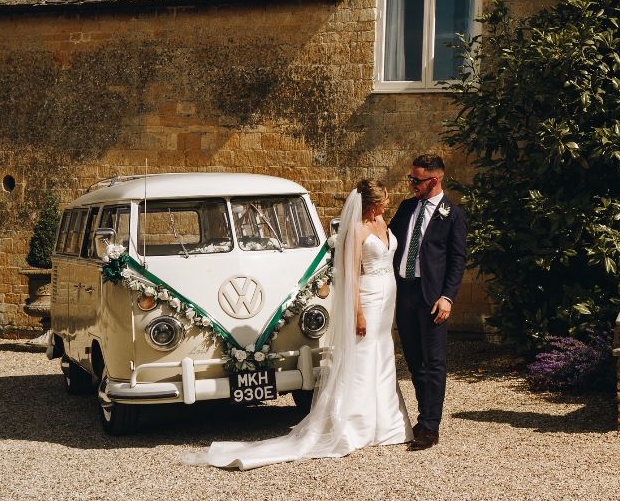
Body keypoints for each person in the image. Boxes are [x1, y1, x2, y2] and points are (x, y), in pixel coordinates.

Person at [182, 179, 412, 470]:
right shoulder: (356, 230)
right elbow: (352, 275)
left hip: (388, 297)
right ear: (372, 203)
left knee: (383, 353)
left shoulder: (381, 222)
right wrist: (358, 313)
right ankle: (357, 423)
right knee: (363, 355)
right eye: (384, 199)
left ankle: (387, 423)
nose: (389, 203)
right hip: (367, 297)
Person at [390, 153, 467, 451]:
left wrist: (447, 297)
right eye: (411, 178)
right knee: (413, 361)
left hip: (433, 297)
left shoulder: (453, 213)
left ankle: (430, 427)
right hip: (404, 292)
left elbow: (457, 260)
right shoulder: (407, 207)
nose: (411, 184)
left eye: (416, 180)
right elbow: (388, 241)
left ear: (434, 180)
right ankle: (423, 418)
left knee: (434, 363)